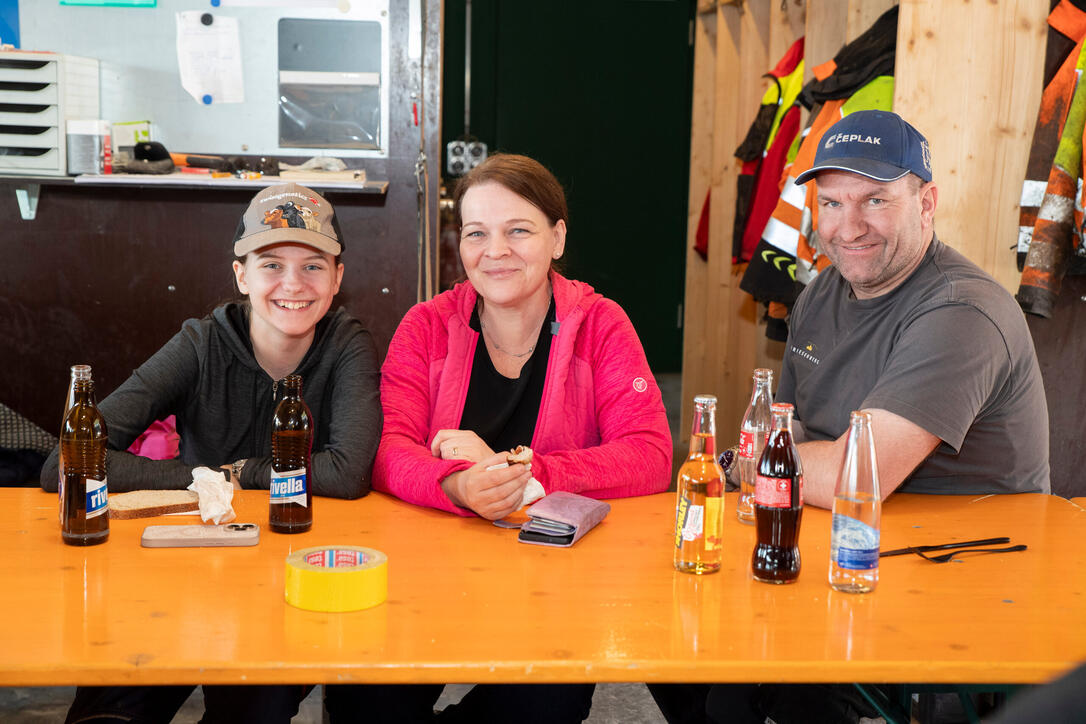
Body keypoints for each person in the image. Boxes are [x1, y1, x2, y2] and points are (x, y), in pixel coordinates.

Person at [651, 111, 1051, 724]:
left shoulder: (961, 312)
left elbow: (849, 477)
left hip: (961, 585)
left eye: (875, 200)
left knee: (755, 681)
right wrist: (754, 463)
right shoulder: (823, 291)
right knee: (677, 635)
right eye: (831, 203)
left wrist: (738, 465)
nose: (848, 227)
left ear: (928, 203)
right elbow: (789, 430)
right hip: (851, 548)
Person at [323, 154, 672, 723]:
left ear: (558, 237)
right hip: (426, 578)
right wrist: (459, 485)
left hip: (555, 585)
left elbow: (651, 455)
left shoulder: (602, 324)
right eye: (477, 233)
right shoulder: (427, 325)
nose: (495, 251)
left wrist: (528, 477)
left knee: (545, 700)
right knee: (364, 693)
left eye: (519, 231)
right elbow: (386, 451)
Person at [44, 182, 382, 724]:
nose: (293, 284)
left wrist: (240, 472)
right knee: (108, 712)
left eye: (314, 266)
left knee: (258, 708)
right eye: (270, 264)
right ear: (241, 274)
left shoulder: (347, 344)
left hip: (285, 580)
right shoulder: (200, 343)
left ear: (338, 278)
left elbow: (347, 472)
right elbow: (66, 461)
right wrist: (197, 480)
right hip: (177, 570)